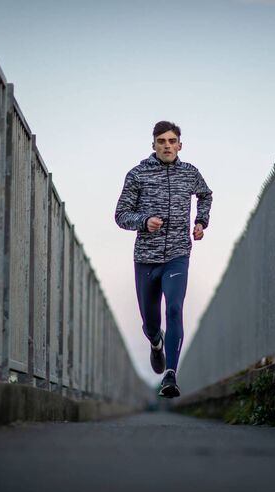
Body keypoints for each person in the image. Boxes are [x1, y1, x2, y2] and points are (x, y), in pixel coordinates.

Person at [115, 121, 213, 398]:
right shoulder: (137, 175)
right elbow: (121, 215)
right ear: (154, 145)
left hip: (177, 255)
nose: (167, 146)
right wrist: (144, 221)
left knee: (174, 309)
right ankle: (155, 342)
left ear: (180, 145)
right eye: (161, 141)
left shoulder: (190, 173)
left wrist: (201, 221)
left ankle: (170, 375)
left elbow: (205, 195)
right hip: (146, 258)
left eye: (172, 141)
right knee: (150, 323)